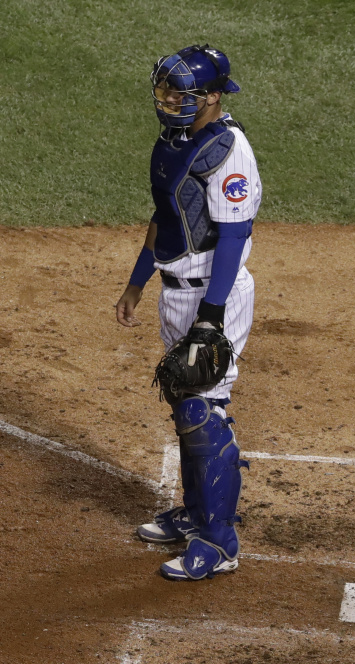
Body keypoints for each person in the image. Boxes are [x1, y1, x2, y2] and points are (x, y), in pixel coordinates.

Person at [115, 44, 260, 579]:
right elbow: (164, 218)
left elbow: (234, 235)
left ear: (213, 96)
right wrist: (136, 281)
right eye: (166, 89)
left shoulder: (228, 152)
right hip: (176, 288)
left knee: (204, 413)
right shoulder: (175, 141)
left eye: (183, 93)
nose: (169, 99)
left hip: (213, 293)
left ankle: (219, 542)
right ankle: (196, 512)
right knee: (185, 401)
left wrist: (212, 315)